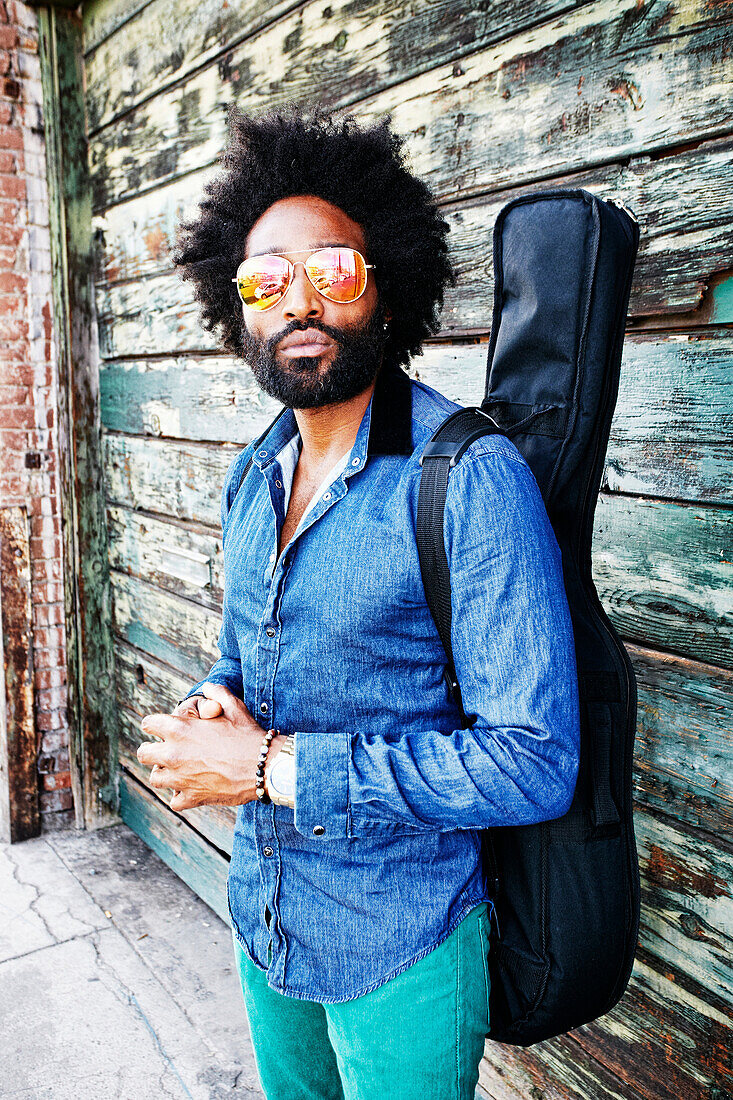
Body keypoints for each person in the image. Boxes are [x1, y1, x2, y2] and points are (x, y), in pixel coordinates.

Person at [137, 107, 581, 1100]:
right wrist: (216, 703)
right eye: (264, 281)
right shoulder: (253, 472)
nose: (297, 300)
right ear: (235, 306)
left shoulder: (468, 479)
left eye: (330, 269)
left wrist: (266, 765)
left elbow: (534, 760)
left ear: (387, 283)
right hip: (266, 912)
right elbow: (242, 655)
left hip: (403, 936)